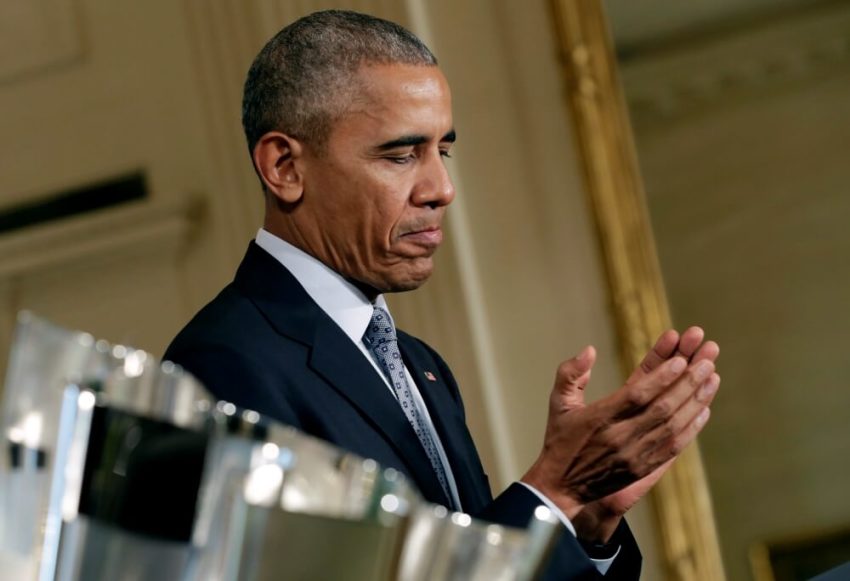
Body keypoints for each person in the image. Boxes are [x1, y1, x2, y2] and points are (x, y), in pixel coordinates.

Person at [165, 10, 720, 579]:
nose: (442, 189)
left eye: (443, 151)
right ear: (284, 166)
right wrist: (552, 489)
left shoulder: (421, 365)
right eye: (401, 155)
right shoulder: (219, 368)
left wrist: (582, 520)